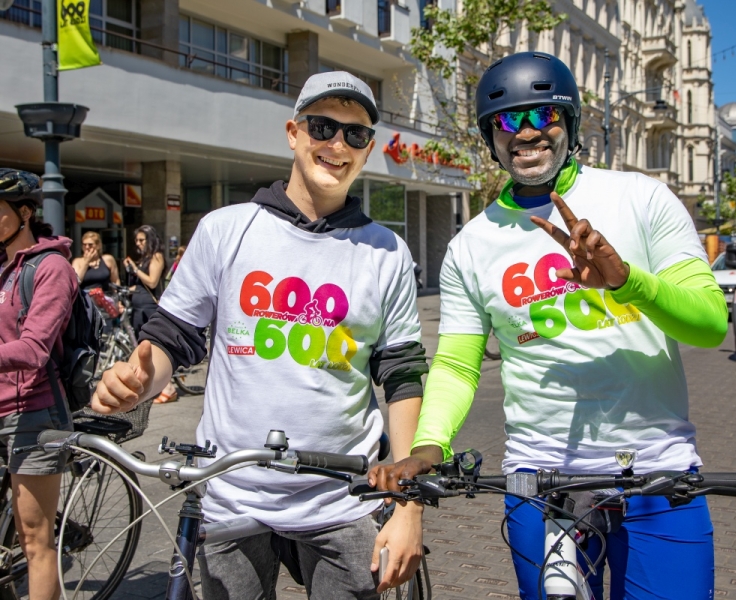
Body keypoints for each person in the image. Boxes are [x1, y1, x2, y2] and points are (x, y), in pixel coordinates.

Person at [370, 52, 729, 599]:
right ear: (490, 136)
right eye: (507, 120)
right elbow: (458, 365)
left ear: (571, 122)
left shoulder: (640, 198)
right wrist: (429, 446)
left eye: (544, 115)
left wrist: (627, 282)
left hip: (658, 474)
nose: (526, 132)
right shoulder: (471, 244)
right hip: (542, 482)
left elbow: (709, 323)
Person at [90, 71, 428, 599]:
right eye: (322, 127)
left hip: (342, 498)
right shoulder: (225, 229)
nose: (338, 144)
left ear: (368, 149)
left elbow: (402, 373)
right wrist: (137, 381)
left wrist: (408, 503)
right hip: (232, 493)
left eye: (356, 134)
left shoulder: (387, 251)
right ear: (294, 133)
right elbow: (172, 338)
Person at [0, 169, 79, 600]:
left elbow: (33, 349)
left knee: (35, 539)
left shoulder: (52, 267)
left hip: (33, 411)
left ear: (25, 213)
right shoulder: (2, 268)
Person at [123, 225, 178, 403]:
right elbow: (140, 285)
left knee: (153, 346)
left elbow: (152, 282)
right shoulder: (145, 258)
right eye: (136, 241)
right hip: (138, 306)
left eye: (141, 240)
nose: (138, 244)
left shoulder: (156, 257)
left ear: (150, 240)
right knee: (141, 346)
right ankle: (155, 384)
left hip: (149, 306)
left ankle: (168, 387)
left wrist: (135, 268)